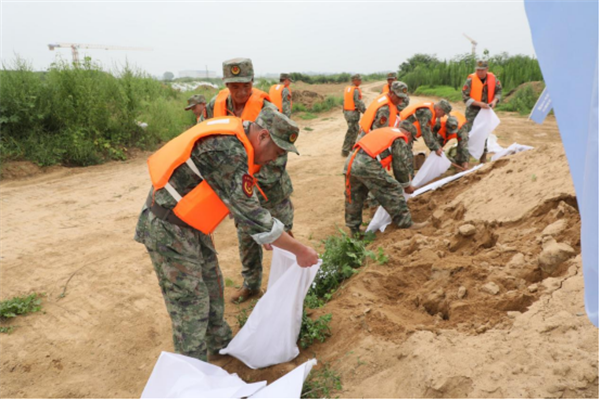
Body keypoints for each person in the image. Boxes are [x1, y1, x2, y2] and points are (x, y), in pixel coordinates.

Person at [134, 108, 319, 363]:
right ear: (263, 136)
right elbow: (252, 214)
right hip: (168, 227)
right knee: (191, 302)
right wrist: (299, 250)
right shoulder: (228, 150)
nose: (273, 160)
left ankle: (220, 348)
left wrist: (267, 234)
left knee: (213, 285)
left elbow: (244, 206)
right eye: (276, 152)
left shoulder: (240, 142)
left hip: (192, 226)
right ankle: (192, 372)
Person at [205, 58, 295, 304]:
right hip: (239, 191)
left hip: (271, 190)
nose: (241, 92)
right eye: (235, 87)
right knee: (247, 239)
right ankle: (251, 285)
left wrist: (246, 190)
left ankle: (289, 286)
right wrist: (233, 192)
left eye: (246, 86)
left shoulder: (268, 112)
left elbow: (278, 156)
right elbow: (204, 141)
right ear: (226, 84)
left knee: (282, 237)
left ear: (253, 82)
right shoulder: (215, 106)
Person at [344, 121, 427, 237]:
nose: (409, 143)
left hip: (351, 161)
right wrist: (406, 185)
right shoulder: (399, 139)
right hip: (365, 164)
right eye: (411, 140)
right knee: (393, 188)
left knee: (354, 196)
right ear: (408, 134)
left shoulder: (387, 131)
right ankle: (405, 223)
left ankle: (354, 231)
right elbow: (400, 166)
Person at [461, 59, 503, 163]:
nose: (479, 72)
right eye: (478, 70)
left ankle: (483, 157)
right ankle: (465, 159)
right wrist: (479, 104)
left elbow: (499, 91)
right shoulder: (470, 80)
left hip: (485, 112)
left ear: (487, 69)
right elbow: (465, 97)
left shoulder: (493, 79)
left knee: (483, 133)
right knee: (468, 134)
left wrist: (494, 101)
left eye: (482, 70)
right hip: (472, 111)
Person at [341, 74, 367, 157]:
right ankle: (345, 150)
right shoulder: (355, 90)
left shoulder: (347, 88)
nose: (360, 82)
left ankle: (350, 148)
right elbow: (358, 102)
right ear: (354, 80)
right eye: (359, 80)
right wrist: (365, 111)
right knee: (352, 131)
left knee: (354, 130)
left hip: (347, 112)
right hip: (352, 113)